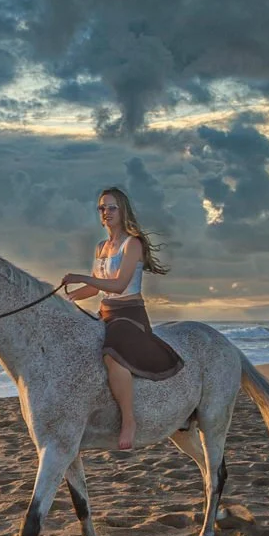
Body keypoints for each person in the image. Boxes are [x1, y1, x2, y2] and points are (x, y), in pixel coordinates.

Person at [61, 187, 182, 450]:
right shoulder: (101, 247)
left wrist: (81, 277)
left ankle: (129, 420)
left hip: (130, 316)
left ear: (123, 209)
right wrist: (66, 299)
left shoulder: (133, 244)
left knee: (112, 356)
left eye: (111, 207)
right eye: (102, 208)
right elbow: (96, 289)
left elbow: (117, 285)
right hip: (105, 313)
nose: (106, 212)